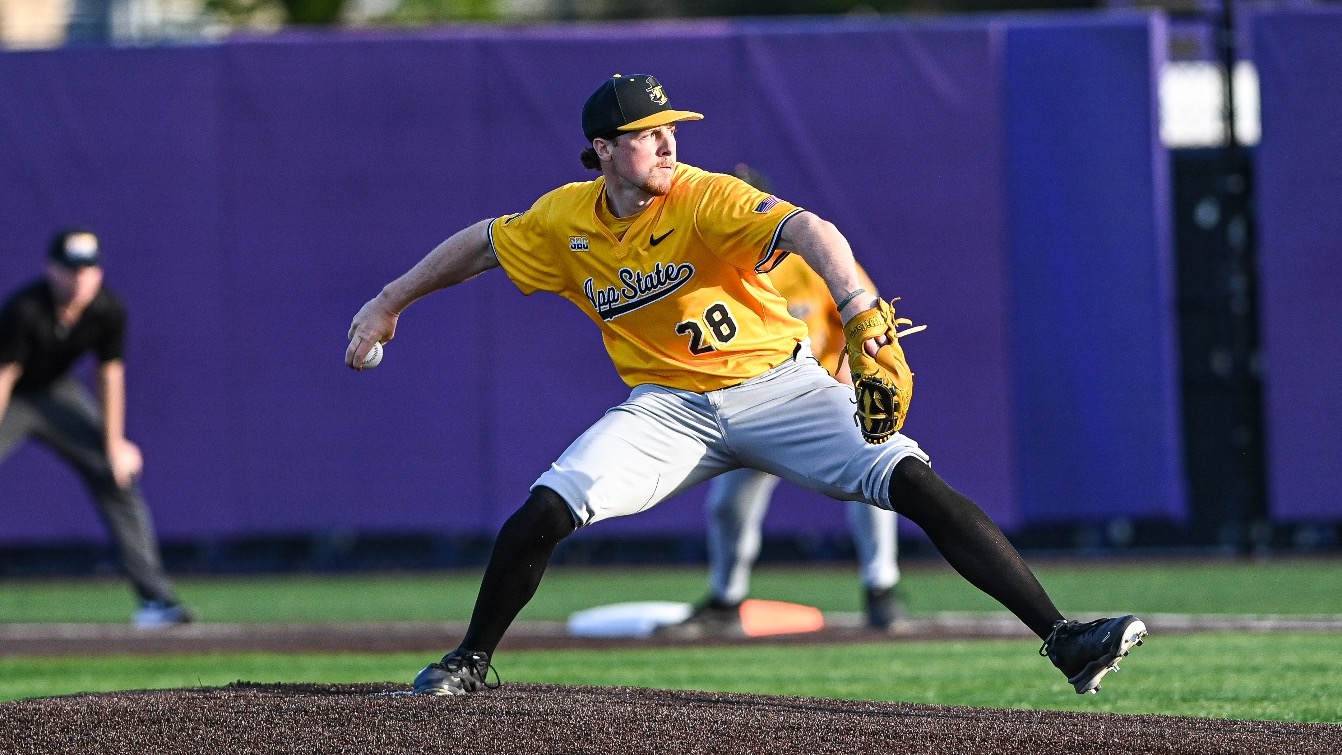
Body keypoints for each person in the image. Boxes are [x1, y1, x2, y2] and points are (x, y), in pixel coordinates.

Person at [345, 73, 1147, 696]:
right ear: (598, 149)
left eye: (670, 129)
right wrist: (388, 303)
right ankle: (472, 659)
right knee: (544, 510)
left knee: (912, 480)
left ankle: (1064, 638)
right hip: (667, 409)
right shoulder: (564, 221)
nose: (665, 143)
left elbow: (810, 229)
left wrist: (858, 302)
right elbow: (484, 243)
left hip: (779, 386)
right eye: (644, 134)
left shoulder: (703, 194)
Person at [663, 191, 904, 635]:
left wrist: (851, 384)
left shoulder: (811, 256)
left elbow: (866, 321)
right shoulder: (708, 268)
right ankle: (726, 600)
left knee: (879, 476)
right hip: (756, 399)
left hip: (822, 395)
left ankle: (881, 589)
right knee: (729, 506)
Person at [0, 229, 192, 628]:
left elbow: (109, 377)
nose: (79, 279)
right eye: (70, 269)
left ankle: (156, 601)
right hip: (13, 396)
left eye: (88, 269)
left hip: (57, 394)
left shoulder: (108, 310)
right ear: (51, 270)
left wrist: (114, 444)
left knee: (115, 475)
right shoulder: (25, 310)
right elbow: (5, 379)